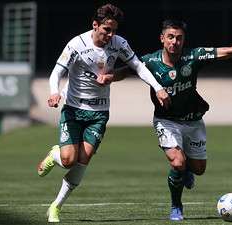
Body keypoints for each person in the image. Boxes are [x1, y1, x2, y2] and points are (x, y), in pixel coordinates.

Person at [99, 19, 232, 221]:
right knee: (177, 163)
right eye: (170, 37)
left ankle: (187, 170)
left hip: (193, 120)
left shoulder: (193, 56)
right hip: (166, 121)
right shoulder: (150, 62)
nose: (174, 42)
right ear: (162, 38)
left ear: (184, 40)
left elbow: (229, 51)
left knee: (198, 169)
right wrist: (109, 77)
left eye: (179, 38)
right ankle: (176, 205)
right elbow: (127, 71)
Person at [36, 4, 170, 223]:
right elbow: (57, 71)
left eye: (114, 30)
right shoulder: (77, 44)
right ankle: (55, 154)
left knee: (83, 159)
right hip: (73, 109)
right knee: (69, 159)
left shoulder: (119, 44)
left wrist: (158, 87)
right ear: (95, 25)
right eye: (107, 29)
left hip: (99, 112)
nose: (110, 35)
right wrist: (53, 92)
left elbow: (138, 66)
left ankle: (56, 207)